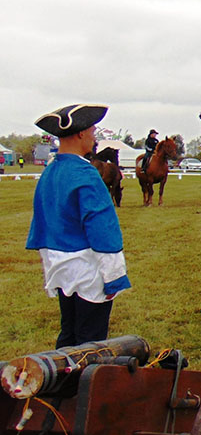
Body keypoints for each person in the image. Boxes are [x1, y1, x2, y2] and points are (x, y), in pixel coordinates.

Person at [26, 104, 131, 348]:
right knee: (89, 343)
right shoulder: (86, 175)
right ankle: (81, 386)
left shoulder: (49, 173)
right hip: (87, 268)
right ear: (81, 134)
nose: (94, 138)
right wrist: (114, 277)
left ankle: (60, 383)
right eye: (93, 132)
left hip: (59, 266)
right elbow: (103, 231)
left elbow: (41, 223)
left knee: (68, 334)